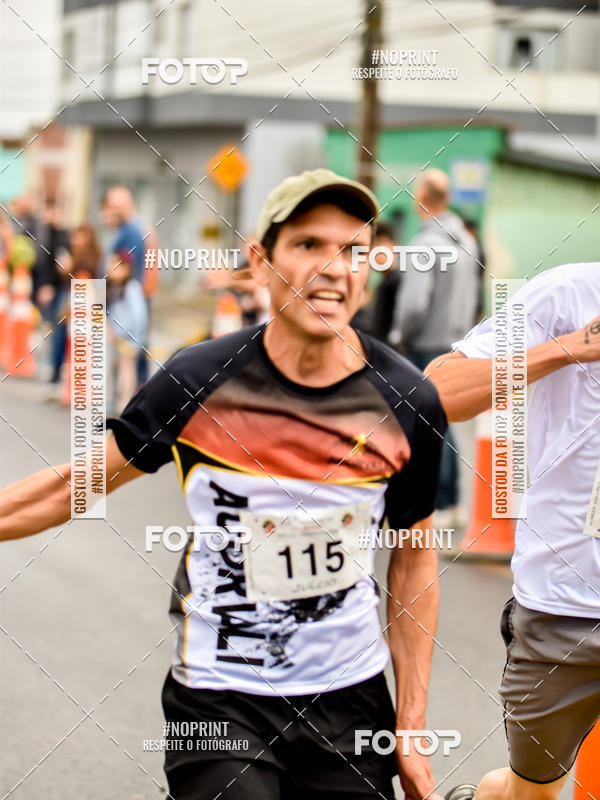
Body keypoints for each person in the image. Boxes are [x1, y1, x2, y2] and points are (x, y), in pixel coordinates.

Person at [0, 168, 448, 800]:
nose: (333, 268)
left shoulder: (407, 400)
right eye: (309, 245)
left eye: (353, 250)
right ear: (261, 261)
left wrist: (411, 723)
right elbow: (74, 483)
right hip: (219, 697)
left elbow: (415, 558)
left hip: (349, 703)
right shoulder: (198, 378)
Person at [425, 263, 600, 800]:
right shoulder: (568, 294)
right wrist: (570, 348)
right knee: (533, 793)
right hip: (566, 610)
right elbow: (440, 388)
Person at [389, 169, 479, 526]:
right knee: (445, 418)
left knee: (428, 422)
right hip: (457, 341)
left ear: (421, 199)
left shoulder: (423, 244)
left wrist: (400, 336)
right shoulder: (467, 242)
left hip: (425, 343)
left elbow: (413, 305)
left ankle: (439, 504)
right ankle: (452, 502)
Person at [106, 249, 149, 412]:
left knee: (127, 370)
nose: (110, 268)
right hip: (118, 338)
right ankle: (117, 401)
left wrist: (121, 332)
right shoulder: (115, 287)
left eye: (115, 265)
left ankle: (125, 403)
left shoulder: (132, 288)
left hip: (129, 338)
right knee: (118, 368)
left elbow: (139, 316)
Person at [35, 200, 70, 383]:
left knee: (57, 330)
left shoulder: (62, 236)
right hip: (48, 287)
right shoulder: (46, 233)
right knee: (48, 328)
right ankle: (52, 367)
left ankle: (56, 370)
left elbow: (60, 265)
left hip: (59, 288)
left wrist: (49, 285)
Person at [369, 222, 402, 343]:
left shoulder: (398, 282)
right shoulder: (384, 283)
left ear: (395, 246)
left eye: (382, 244)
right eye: (373, 246)